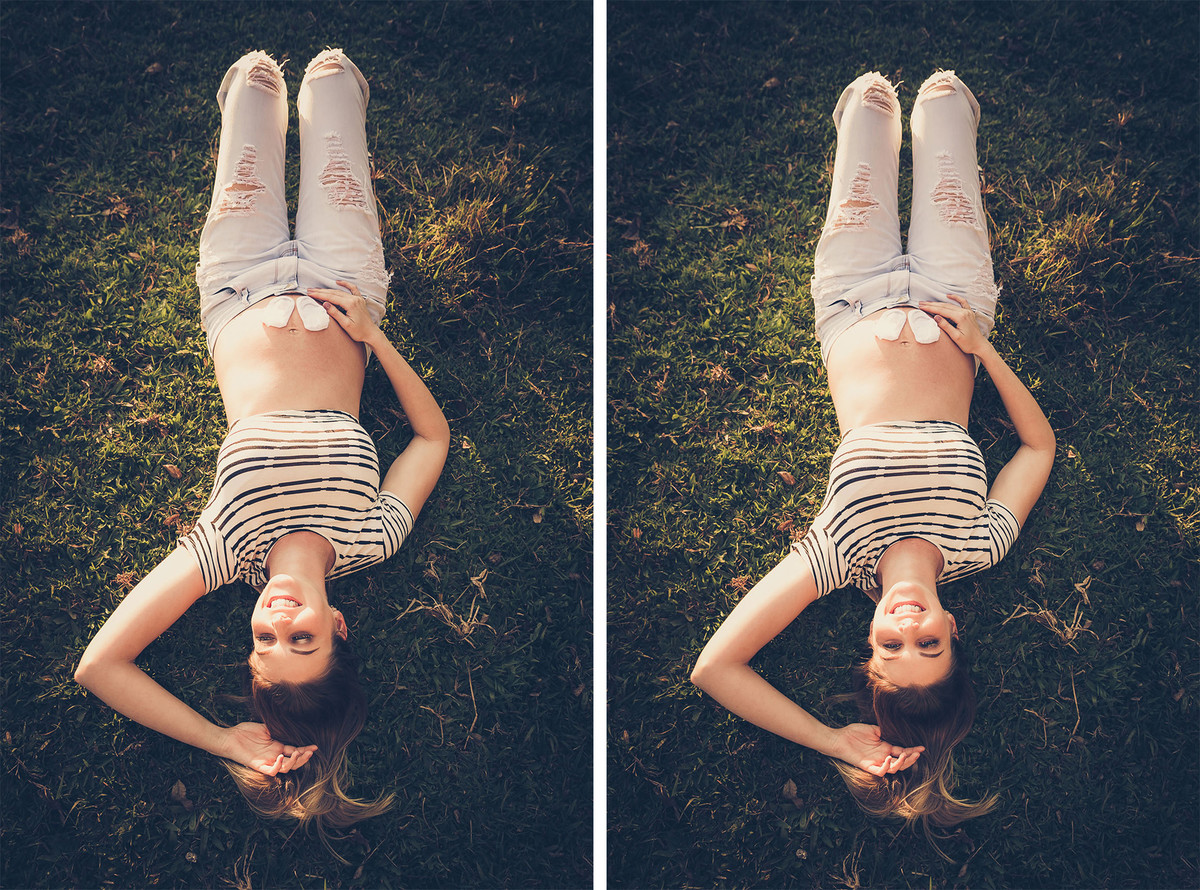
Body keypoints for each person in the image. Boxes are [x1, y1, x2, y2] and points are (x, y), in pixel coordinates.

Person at [74, 50, 450, 834]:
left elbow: (99, 666)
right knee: (331, 79)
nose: (278, 616)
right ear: (339, 627)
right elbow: (431, 437)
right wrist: (375, 339)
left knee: (253, 82)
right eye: (302, 636)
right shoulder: (371, 539)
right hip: (344, 284)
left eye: (265, 639)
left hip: (240, 283)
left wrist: (222, 738)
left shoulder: (224, 550)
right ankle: (328, 86)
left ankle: (258, 88)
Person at [690, 71, 1055, 832]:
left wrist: (832, 740)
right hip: (956, 300)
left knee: (870, 103)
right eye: (928, 643)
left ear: (870, 639)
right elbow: (1038, 447)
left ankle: (873, 114)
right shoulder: (978, 545)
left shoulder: (836, 555)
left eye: (895, 643)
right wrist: (983, 352)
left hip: (854, 297)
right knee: (947, 105)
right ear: (955, 631)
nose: (908, 622)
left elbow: (714, 668)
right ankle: (938, 114)